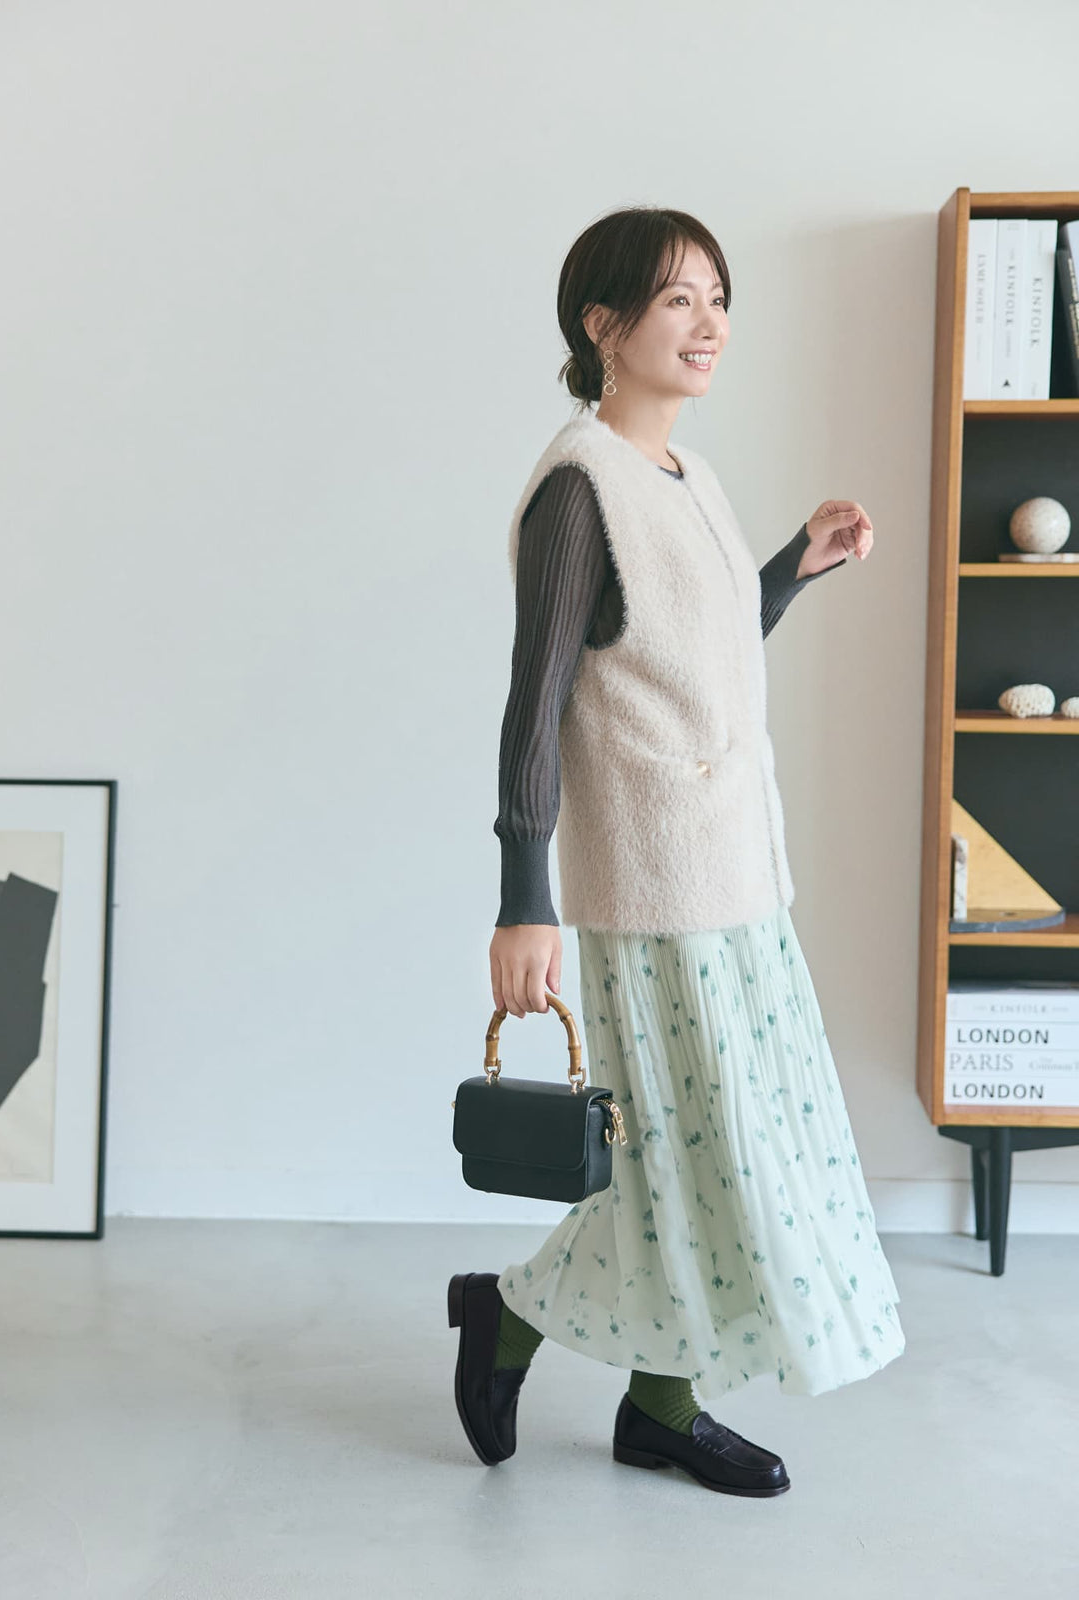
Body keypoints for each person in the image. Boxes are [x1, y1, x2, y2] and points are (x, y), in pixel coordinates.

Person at [448, 205, 904, 1498]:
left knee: (703, 1158)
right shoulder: (578, 486)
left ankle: (651, 1399)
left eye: (718, 297)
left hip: (740, 873)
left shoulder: (687, 476)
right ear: (604, 325)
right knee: (697, 1159)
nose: (710, 325)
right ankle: (526, 1324)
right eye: (677, 301)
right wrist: (524, 899)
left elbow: (690, 650)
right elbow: (537, 702)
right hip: (652, 889)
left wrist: (794, 567)